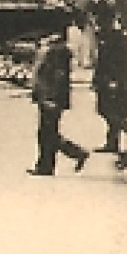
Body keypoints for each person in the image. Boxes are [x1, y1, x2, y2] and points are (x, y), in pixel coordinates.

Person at [28, 31, 89, 176]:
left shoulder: (57, 52)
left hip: (51, 98)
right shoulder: (54, 51)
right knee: (47, 133)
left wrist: (51, 98)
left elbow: (57, 78)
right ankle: (46, 165)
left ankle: (71, 156)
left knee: (47, 133)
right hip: (47, 97)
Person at [92, 19, 127, 165]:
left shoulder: (115, 40)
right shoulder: (108, 38)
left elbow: (116, 63)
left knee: (108, 110)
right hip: (105, 80)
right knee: (107, 110)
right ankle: (112, 142)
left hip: (110, 81)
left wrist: (113, 80)